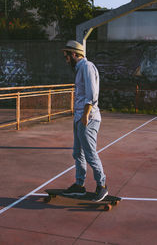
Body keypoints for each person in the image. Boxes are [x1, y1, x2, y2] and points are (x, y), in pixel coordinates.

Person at [62, 40, 108, 202]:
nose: (66, 59)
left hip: (87, 118)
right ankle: (79, 185)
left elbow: (92, 93)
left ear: (74, 54)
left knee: (90, 154)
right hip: (80, 117)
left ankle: (101, 186)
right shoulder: (80, 69)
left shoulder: (87, 67)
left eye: (67, 56)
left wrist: (85, 115)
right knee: (77, 153)